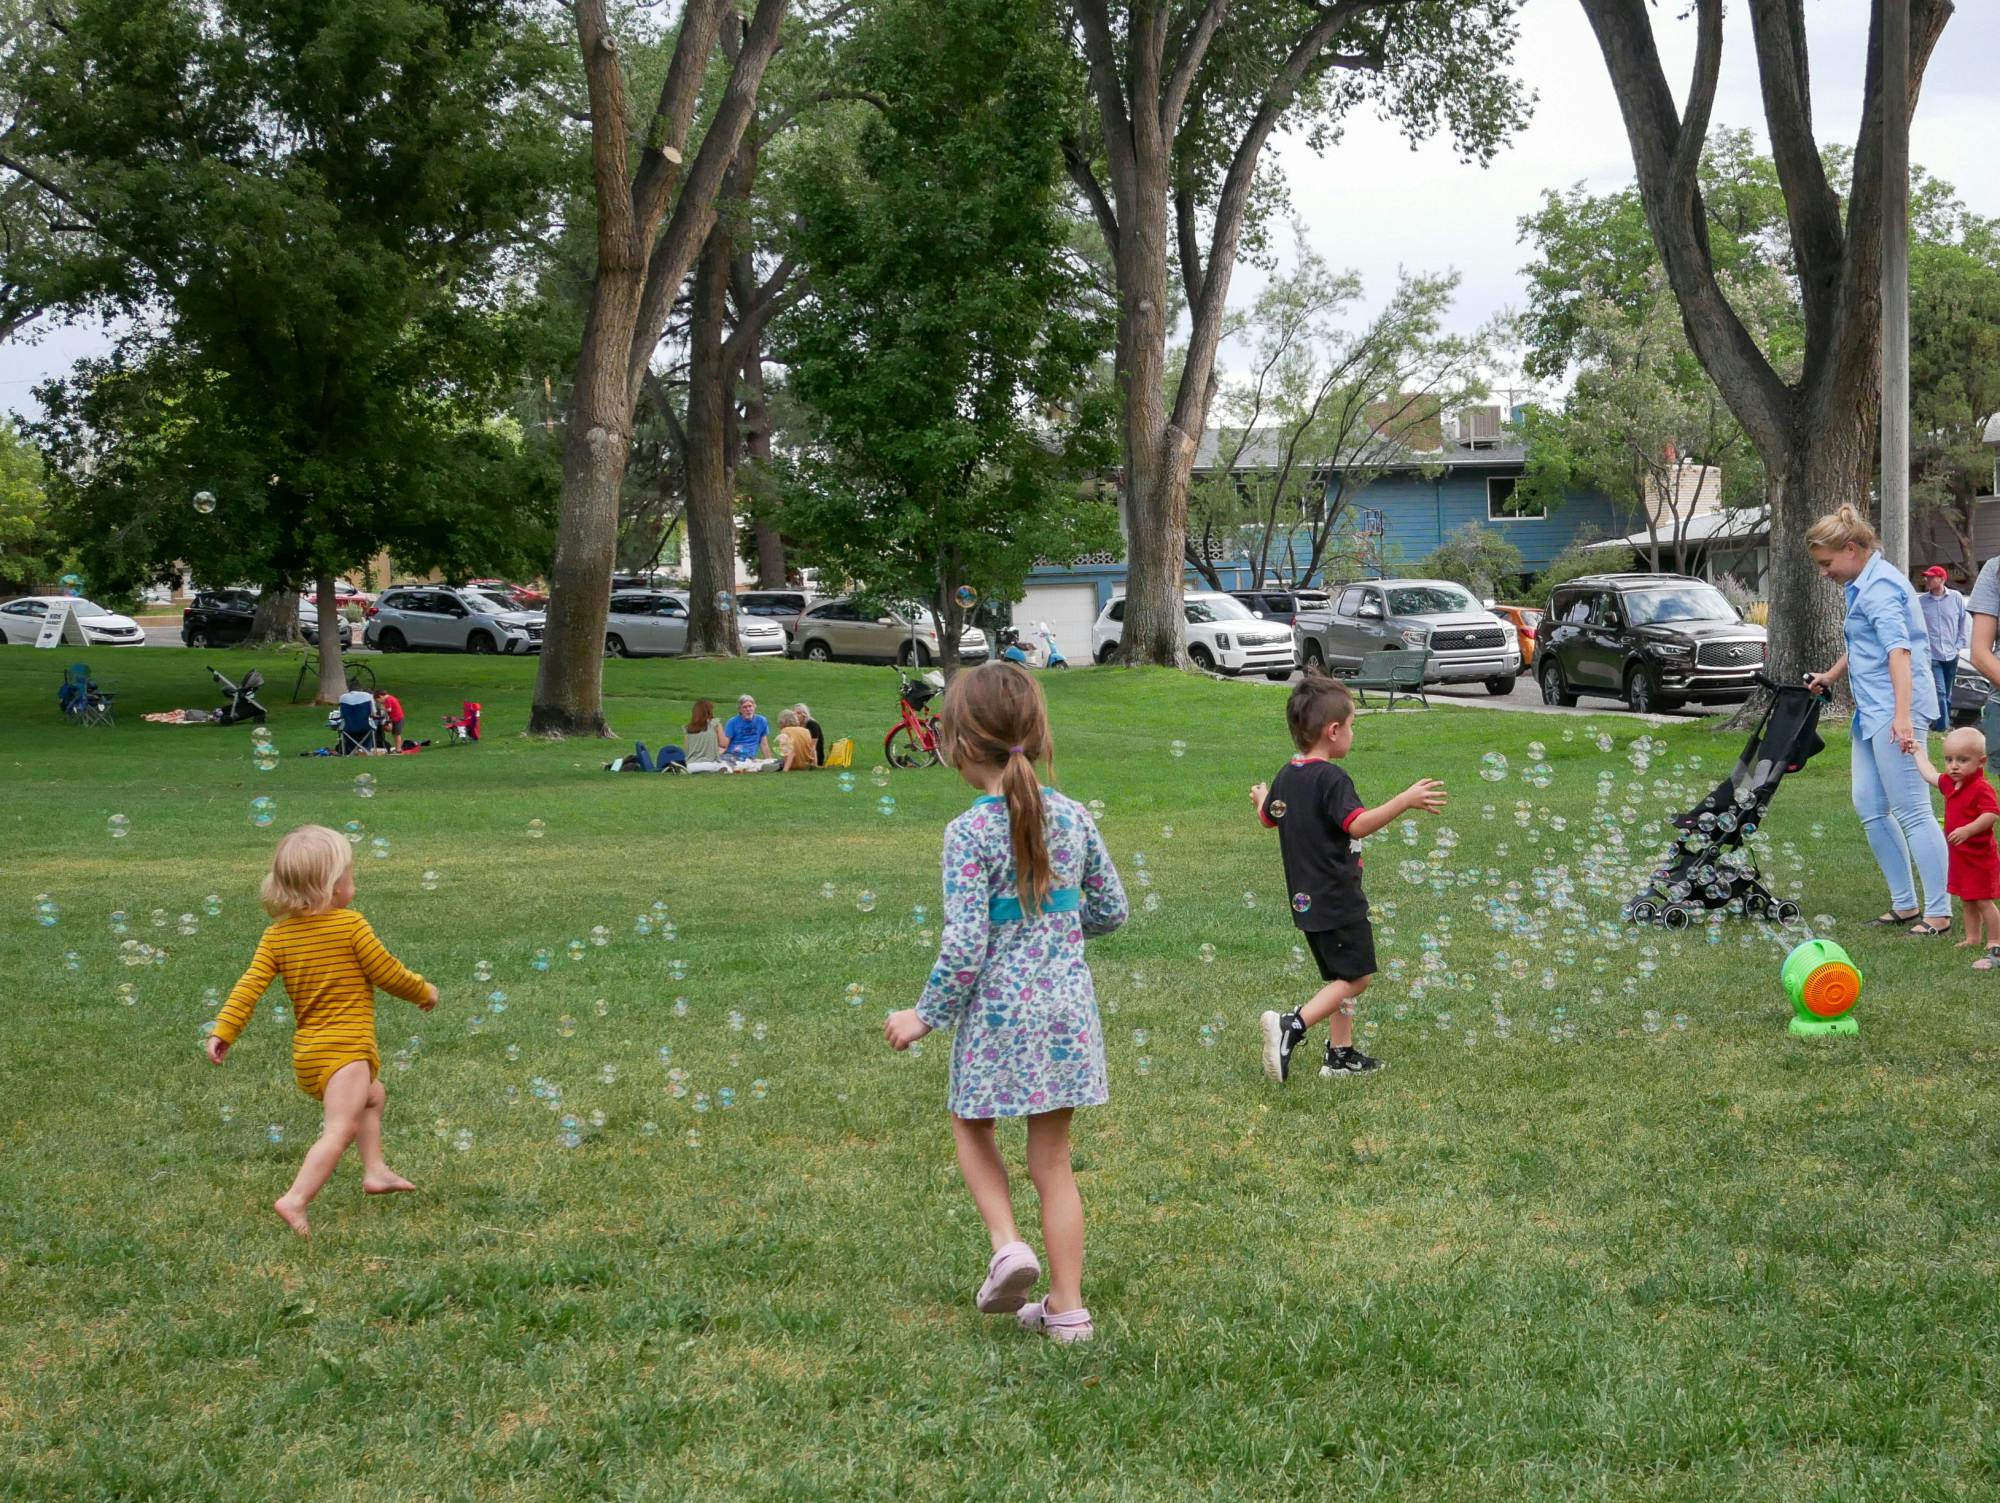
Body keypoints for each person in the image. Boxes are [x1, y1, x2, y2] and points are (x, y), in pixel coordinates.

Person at [882, 663, 1126, 1344]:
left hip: (995, 1018)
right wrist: (1058, 926)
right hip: (1066, 1017)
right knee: (1053, 1161)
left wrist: (923, 1014)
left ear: (958, 746)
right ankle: (1068, 1309)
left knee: (972, 1123)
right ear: (1038, 734)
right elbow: (1111, 910)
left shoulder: (967, 832)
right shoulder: (1073, 815)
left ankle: (1007, 1244)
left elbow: (965, 945)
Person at [204, 825, 438, 1237]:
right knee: (339, 1129)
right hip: (345, 1052)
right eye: (348, 874)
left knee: (373, 1096)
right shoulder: (350, 926)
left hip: (311, 1056)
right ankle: (295, 1199)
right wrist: (424, 991)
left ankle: (376, 1170)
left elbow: (249, 986)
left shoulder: (276, 936)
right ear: (331, 888)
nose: (354, 882)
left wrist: (224, 1029)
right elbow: (388, 973)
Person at [1252, 675, 1446, 1082]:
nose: (1353, 733)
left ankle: (1340, 1056)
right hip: (1337, 897)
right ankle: (1294, 1025)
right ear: (1333, 730)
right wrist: (1404, 801)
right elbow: (1357, 825)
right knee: (1357, 978)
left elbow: (1270, 818)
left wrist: (1260, 799)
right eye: (1353, 725)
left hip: (1308, 898)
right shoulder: (1331, 779)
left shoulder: (1287, 775)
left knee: (1339, 976)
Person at [1804, 505, 1951, 936]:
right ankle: (1905, 904)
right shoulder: (1862, 585)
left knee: (1913, 811)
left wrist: (1903, 719)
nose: (1824, 573)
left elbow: (1898, 652)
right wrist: (1832, 674)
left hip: (1894, 711)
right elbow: (1866, 641)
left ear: (1851, 549)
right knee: (1870, 805)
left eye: (1827, 563)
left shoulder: (1881, 587)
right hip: (1872, 712)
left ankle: (1939, 912)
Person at [1912, 727, 2000, 965]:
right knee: (1967, 898)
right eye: (1949, 760)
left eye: (1962, 760)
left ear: (1981, 762)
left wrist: (1968, 829)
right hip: (1961, 857)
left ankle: (1995, 940)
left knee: (1983, 900)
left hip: (1980, 857)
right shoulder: (1951, 784)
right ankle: (1973, 937)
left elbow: (1991, 814)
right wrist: (1918, 752)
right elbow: (1930, 774)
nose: (1954, 766)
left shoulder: (1981, 788)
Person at [1918, 565, 1967, 734]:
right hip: (1932, 655)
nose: (1927, 580)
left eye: (1931, 577)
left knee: (1947, 692)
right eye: (1927, 577)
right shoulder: (1921, 602)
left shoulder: (1956, 597)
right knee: (1939, 691)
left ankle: (1940, 721)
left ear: (1941, 579)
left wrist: (1959, 645)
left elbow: (1962, 622)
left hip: (1951, 653)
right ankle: (1943, 727)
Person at [721, 694, 771, 763]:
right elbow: (724, 745)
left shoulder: (761, 721)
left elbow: (764, 743)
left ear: (754, 707)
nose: (748, 709)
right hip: (732, 756)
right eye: (744, 707)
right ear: (740, 709)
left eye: (750, 706)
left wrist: (769, 761)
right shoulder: (732, 722)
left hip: (749, 758)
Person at [683, 699, 724, 765]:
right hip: (711, 764)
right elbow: (723, 744)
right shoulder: (715, 723)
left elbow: (687, 749)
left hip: (691, 765)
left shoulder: (688, 728)